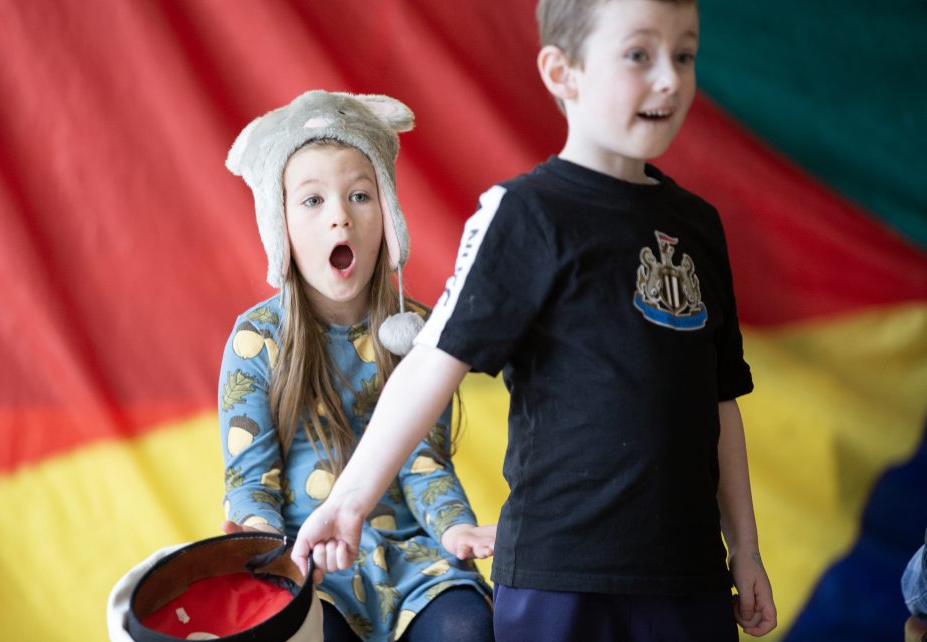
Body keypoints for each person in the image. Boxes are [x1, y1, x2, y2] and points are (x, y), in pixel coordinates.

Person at [292, 1, 778, 640]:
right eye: (639, 55)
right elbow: (432, 362)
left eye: (683, 55)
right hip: (561, 583)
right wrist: (347, 502)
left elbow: (719, 403)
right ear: (562, 72)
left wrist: (744, 547)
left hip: (690, 583)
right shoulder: (523, 214)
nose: (669, 78)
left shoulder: (698, 227)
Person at [219, 90, 496, 642]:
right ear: (282, 228)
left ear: (389, 218)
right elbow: (251, 482)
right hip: (310, 559)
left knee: (468, 629)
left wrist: (455, 527)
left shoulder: (417, 333)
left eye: (360, 195)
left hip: (416, 558)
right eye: (313, 201)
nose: (340, 218)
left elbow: (423, 457)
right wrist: (267, 556)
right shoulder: (256, 340)